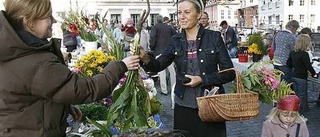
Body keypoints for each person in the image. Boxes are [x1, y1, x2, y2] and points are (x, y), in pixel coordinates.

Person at [0, 0, 140, 136]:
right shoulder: (36, 62)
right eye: (48, 16)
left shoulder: (15, 50)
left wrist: (62, 108)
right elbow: (85, 89)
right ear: (29, 21)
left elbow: (31, 98)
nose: (54, 21)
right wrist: (120, 65)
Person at [133, 0, 235, 136]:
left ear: (199, 14)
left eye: (187, 12)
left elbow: (229, 73)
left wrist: (202, 79)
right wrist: (145, 57)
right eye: (179, 12)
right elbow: (159, 65)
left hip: (211, 105)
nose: (182, 16)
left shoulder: (214, 37)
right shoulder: (175, 40)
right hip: (183, 105)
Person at [287, 34, 316, 114]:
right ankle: (300, 113)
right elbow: (308, 66)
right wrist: (314, 73)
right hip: (301, 77)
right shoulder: (304, 54)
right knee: (302, 96)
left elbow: (288, 63)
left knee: (296, 94)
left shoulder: (293, 52)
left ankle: (294, 109)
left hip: (294, 75)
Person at [149, 15, 177, 96]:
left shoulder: (155, 27)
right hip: (169, 51)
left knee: (161, 71)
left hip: (159, 51)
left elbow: (153, 38)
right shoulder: (169, 27)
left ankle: (164, 90)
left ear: (156, 20)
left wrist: (152, 47)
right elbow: (176, 35)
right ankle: (174, 88)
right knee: (172, 71)